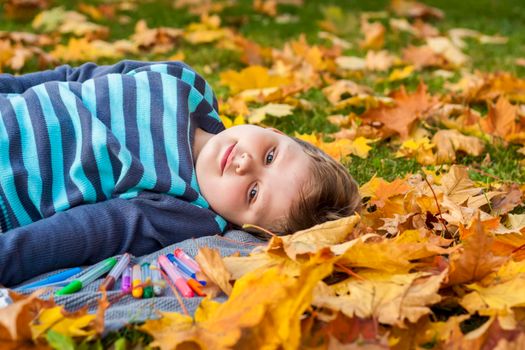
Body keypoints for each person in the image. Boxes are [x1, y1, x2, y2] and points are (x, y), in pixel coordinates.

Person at [0, 60, 360, 286]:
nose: (245, 163)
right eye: (270, 155)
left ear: (242, 227)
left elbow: (86, 231)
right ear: (276, 133)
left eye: (252, 193)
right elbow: (77, 78)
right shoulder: (186, 84)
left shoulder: (184, 210)